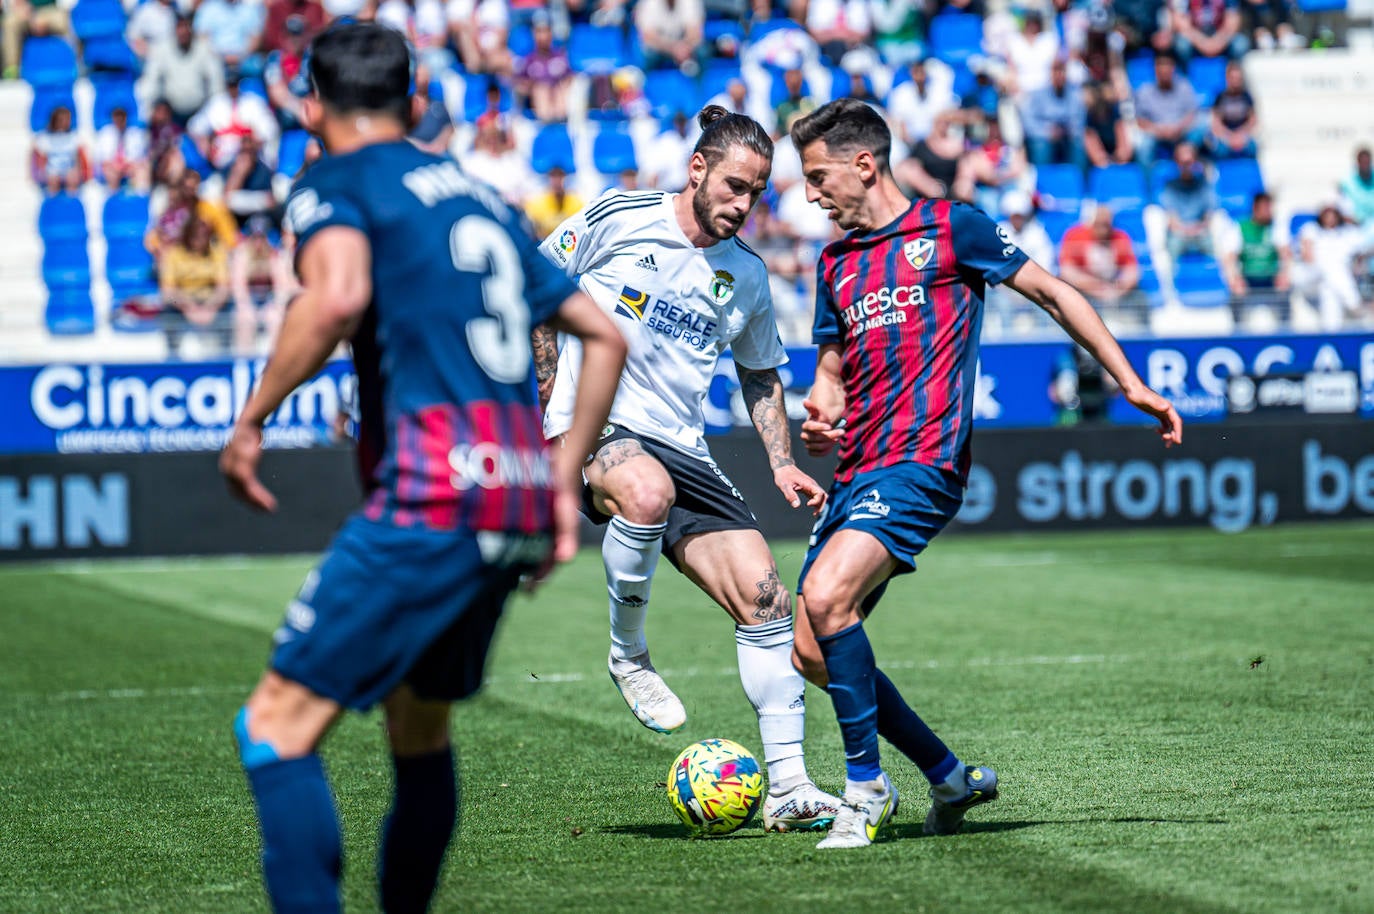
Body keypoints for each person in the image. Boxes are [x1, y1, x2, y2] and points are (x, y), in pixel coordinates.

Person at [218, 23, 626, 914]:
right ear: (413, 103)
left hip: (435, 494)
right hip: (513, 495)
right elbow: (602, 335)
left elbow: (334, 296)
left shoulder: (336, 179)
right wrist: (559, 481)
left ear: (310, 105)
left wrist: (252, 420)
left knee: (273, 731)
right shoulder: (481, 200)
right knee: (419, 728)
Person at [787, 98, 1182, 849]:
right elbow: (830, 371)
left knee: (827, 594)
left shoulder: (953, 226)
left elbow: (1056, 292)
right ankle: (947, 775)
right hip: (857, 470)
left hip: (921, 462)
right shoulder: (834, 263)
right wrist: (821, 411)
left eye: (816, 176)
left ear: (864, 164)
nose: (809, 195)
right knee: (811, 647)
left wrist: (1128, 382)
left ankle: (865, 789)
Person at [530, 105, 843, 832]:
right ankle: (628, 654)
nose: (743, 204)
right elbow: (535, 291)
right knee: (644, 490)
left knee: (768, 600)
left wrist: (782, 462)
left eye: (757, 193)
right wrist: (549, 408)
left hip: (683, 442)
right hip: (594, 428)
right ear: (697, 169)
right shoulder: (620, 214)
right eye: (734, 185)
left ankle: (792, 789)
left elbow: (761, 375)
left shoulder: (747, 276)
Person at [1059, 204, 1146, 330]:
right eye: (1099, 224)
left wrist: (1119, 288)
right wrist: (1096, 287)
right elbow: (1067, 272)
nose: (1103, 229)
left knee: (1140, 297)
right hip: (1085, 291)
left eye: (1106, 224)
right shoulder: (1075, 235)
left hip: (1115, 289)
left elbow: (1132, 271)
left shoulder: (1120, 237)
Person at [160, 215, 233, 357]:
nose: (201, 239)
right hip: (182, 303)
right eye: (196, 236)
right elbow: (168, 292)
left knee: (230, 310)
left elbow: (223, 288)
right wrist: (189, 308)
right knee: (168, 312)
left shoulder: (216, 251)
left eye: (205, 235)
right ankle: (173, 357)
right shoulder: (174, 254)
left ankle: (225, 357)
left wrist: (210, 308)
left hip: (210, 301)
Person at [1220, 190, 1289, 323]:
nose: (1268, 211)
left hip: (1271, 278)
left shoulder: (1276, 227)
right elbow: (1229, 258)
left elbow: (1286, 254)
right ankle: (1238, 332)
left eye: (1270, 207)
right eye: (1265, 207)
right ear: (1255, 208)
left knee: (1285, 290)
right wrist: (1235, 278)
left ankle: (1285, 329)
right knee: (1236, 293)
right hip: (1248, 278)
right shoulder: (1240, 228)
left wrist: (1284, 274)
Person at [1133, 50, 1199, 165]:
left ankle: (1194, 176)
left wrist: (1178, 128)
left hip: (1180, 132)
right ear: (1155, 69)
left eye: (1168, 65)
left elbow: (1192, 114)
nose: (1164, 70)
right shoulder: (1144, 91)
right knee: (1143, 147)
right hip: (1155, 133)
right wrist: (1158, 130)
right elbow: (1140, 120)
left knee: (1201, 127)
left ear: (1174, 68)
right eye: (1161, 65)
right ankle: (1149, 182)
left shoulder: (1184, 86)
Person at [1159, 141, 1217, 262]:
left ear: (1195, 161)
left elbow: (1209, 216)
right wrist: (1186, 230)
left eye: (1189, 162)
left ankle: (1221, 278)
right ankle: (1169, 280)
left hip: (1201, 231)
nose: (1186, 165)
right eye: (1182, 162)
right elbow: (1172, 219)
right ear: (1176, 162)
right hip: (1179, 232)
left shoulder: (1204, 184)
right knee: (1172, 246)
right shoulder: (1169, 187)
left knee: (1216, 248)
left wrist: (1198, 228)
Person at [1202, 59, 1258, 160]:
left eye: (1238, 78)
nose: (1236, 81)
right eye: (1233, 78)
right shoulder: (1220, 97)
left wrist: (1241, 135)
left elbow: (1252, 121)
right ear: (1227, 78)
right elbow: (1216, 122)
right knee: (1218, 150)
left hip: (1242, 135)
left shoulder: (1247, 97)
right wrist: (1229, 137)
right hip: (1225, 136)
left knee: (1253, 148)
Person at [30, 105, 87, 195]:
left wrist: (79, 171)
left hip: (69, 168)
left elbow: (79, 156)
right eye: (62, 119)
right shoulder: (44, 137)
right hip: (52, 170)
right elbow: (39, 158)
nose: (65, 122)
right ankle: (52, 204)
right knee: (53, 179)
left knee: (72, 177)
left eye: (67, 119)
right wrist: (42, 173)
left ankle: (71, 204)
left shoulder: (74, 136)